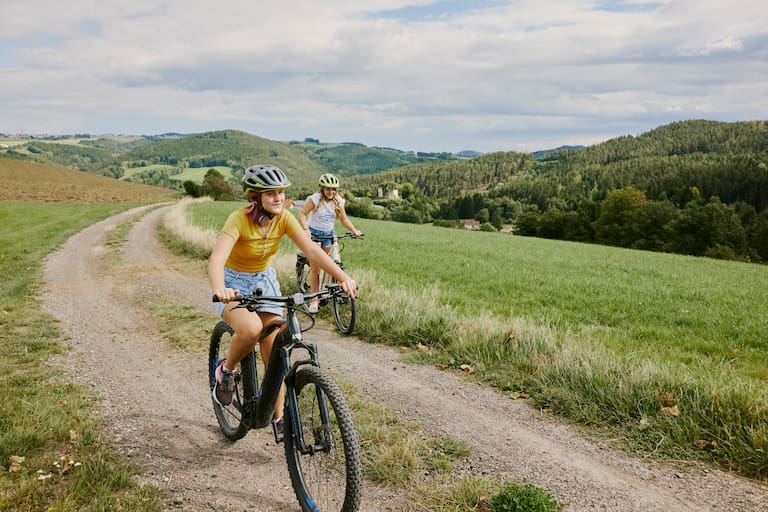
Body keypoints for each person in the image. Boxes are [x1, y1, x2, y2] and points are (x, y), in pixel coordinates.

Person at [208, 164, 357, 439]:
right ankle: (225, 370)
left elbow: (312, 250)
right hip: (234, 283)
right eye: (271, 194)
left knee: (275, 346)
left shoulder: (284, 219)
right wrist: (221, 288)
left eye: (280, 192)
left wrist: (342, 277)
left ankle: (280, 419)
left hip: (265, 281)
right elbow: (217, 259)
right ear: (256, 197)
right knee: (251, 329)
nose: (278, 198)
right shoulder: (238, 220)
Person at [298, 173, 363, 313]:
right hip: (313, 236)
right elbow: (302, 214)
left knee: (326, 265)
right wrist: (305, 229)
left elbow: (344, 219)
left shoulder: (338, 201)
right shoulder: (314, 199)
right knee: (315, 269)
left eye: (333, 189)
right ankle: (314, 300)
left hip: (328, 236)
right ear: (322, 189)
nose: (331, 192)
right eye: (328, 189)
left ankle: (324, 293)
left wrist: (354, 230)